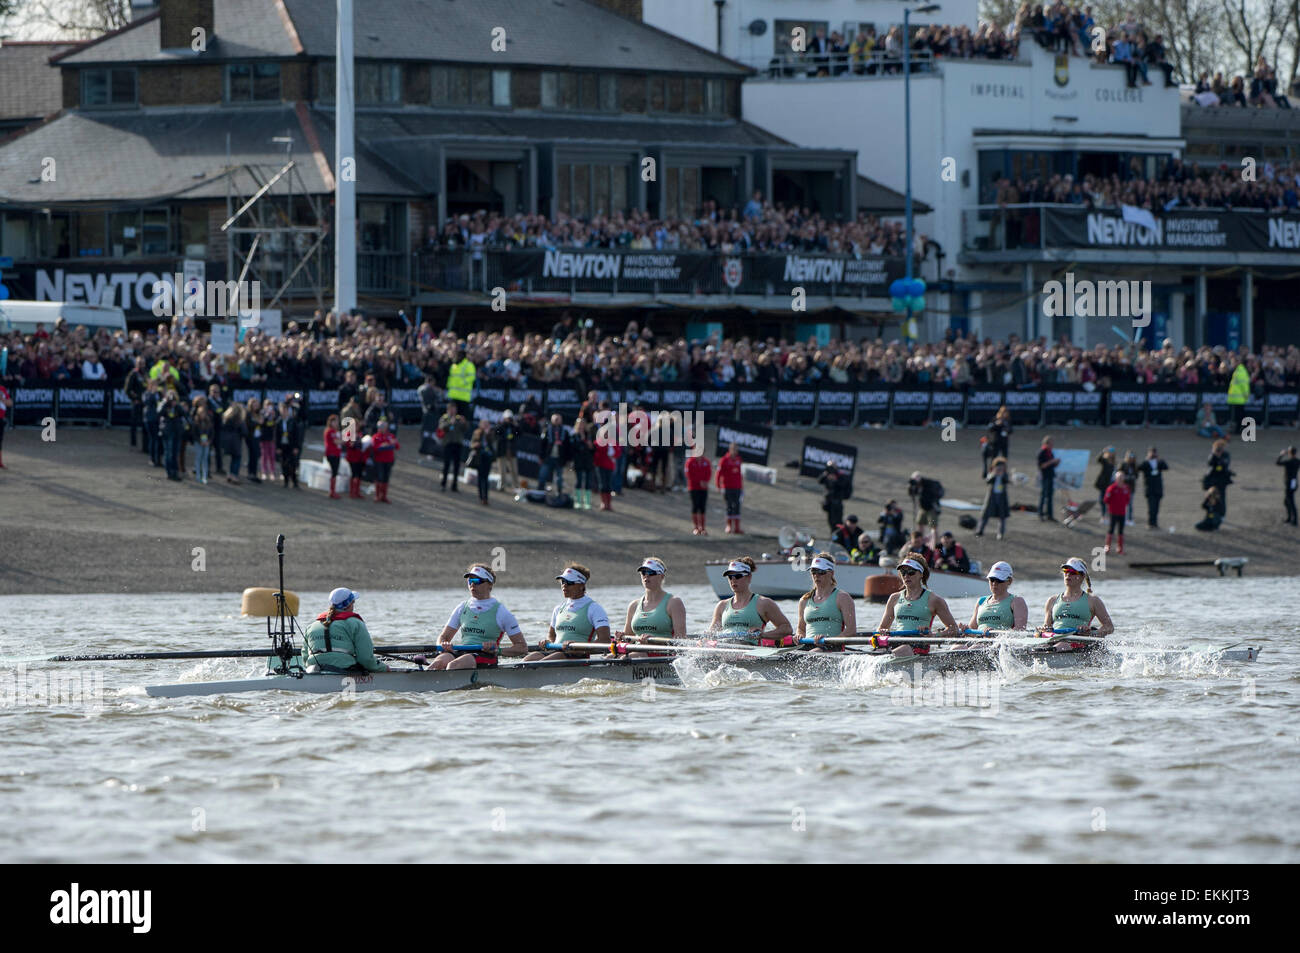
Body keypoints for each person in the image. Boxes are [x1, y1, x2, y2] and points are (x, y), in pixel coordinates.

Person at [430, 565, 527, 670]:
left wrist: (498, 651)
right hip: (463, 653)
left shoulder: (502, 612)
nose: (472, 584)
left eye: (477, 580)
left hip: (487, 656)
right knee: (437, 663)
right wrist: (443, 644)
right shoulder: (462, 607)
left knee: (453, 665)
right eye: (470, 580)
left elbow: (522, 647)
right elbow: (443, 637)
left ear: (489, 585)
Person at [876, 553, 959, 657]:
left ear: (921, 574)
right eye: (903, 572)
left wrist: (934, 636)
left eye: (911, 572)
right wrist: (882, 632)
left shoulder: (934, 600)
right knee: (878, 652)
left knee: (903, 649)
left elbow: (954, 629)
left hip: (919, 644)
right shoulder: (894, 598)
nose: (906, 576)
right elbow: (882, 628)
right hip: (897, 642)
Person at [523, 565, 612, 661]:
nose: (564, 585)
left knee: (551, 658)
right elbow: (552, 636)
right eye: (562, 582)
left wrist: (579, 649)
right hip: (556, 653)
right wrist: (548, 642)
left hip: (578, 657)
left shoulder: (594, 609)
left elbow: (605, 640)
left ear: (581, 585)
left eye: (569, 582)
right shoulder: (558, 609)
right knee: (530, 658)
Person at [709, 557, 794, 646]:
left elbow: (786, 628)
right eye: (730, 577)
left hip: (751, 651)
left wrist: (763, 635)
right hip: (725, 650)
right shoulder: (721, 605)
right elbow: (712, 633)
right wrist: (703, 640)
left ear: (749, 577)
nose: (733, 580)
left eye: (738, 576)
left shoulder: (763, 603)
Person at [301, 588, 389, 673]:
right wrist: (384, 668)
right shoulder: (355, 623)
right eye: (353, 602)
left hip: (313, 670)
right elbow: (366, 659)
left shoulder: (311, 626)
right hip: (345, 670)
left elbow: (305, 658)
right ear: (349, 604)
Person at [1040, 557, 1114, 651]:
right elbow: (1047, 626)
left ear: (1082, 576)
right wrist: (1044, 629)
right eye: (1066, 571)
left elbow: (1109, 627)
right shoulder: (1052, 600)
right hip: (1054, 640)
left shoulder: (1093, 600)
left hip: (1079, 642)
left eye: (1073, 572)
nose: (1068, 575)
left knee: (1062, 645)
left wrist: (1091, 633)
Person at [620, 557, 688, 644]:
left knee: (624, 658)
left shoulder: (674, 603)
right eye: (643, 573)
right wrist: (621, 637)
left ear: (662, 576)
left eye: (651, 573)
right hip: (638, 651)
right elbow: (628, 638)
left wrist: (653, 641)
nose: (646, 576)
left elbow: (681, 640)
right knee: (609, 657)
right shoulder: (634, 605)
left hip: (662, 652)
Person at [797, 553, 857, 651]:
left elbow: (851, 631)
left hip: (832, 646)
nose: (816, 575)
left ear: (831, 573)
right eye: (813, 571)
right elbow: (801, 629)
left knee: (813, 654)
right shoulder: (804, 600)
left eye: (821, 572)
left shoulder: (843, 598)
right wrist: (799, 636)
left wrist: (828, 641)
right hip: (808, 646)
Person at [966, 561, 1028, 633]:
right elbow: (971, 630)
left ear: (1009, 581)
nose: (994, 583)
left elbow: (1020, 632)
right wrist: (965, 629)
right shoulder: (981, 601)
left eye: (999, 580)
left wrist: (995, 633)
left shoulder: (1017, 601)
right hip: (979, 641)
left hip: (1002, 643)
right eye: (992, 579)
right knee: (957, 645)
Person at [437, 401, 469, 491]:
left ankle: (454, 485)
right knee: (446, 465)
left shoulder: (459, 418)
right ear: (448, 409)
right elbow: (441, 427)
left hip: (458, 444)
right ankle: (443, 483)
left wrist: (464, 423)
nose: (453, 411)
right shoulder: (444, 418)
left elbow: (465, 429)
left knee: (456, 466)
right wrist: (450, 423)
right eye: (451, 409)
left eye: (454, 409)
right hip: (448, 443)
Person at [977, 456, 1011, 539]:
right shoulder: (992, 473)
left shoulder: (1005, 474)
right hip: (992, 496)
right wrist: (994, 474)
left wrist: (1002, 475)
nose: (1000, 468)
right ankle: (980, 531)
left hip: (1002, 497)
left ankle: (1000, 533)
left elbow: (1007, 481)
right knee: (985, 515)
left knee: (1002, 516)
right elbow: (988, 481)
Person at [537, 413, 571, 495]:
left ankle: (559, 493)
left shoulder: (565, 432)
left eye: (558, 419)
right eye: (555, 419)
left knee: (559, 478)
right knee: (543, 475)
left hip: (559, 458)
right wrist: (541, 457)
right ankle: (540, 492)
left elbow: (568, 447)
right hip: (548, 457)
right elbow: (542, 445)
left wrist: (567, 460)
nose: (556, 421)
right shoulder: (547, 430)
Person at [908, 471, 943, 548]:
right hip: (923, 509)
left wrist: (920, 486)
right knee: (920, 523)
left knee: (933, 527)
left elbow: (930, 495)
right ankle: (920, 541)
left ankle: (936, 544)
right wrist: (912, 486)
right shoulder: (916, 485)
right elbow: (911, 494)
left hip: (932, 509)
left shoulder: (927, 483)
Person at [716, 443, 745, 534]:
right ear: (730, 449)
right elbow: (718, 474)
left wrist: (742, 487)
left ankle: (737, 527)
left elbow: (740, 474)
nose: (735, 452)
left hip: (737, 487)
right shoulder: (724, 460)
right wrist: (718, 486)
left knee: (737, 506)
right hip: (727, 487)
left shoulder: (738, 460)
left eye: (736, 450)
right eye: (734, 450)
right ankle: (728, 526)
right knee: (729, 506)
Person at [370, 418, 399, 503]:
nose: (383, 428)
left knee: (386, 478)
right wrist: (382, 445)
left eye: (384, 426)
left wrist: (392, 443)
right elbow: (374, 448)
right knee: (379, 477)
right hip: (379, 460)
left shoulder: (390, 436)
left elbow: (397, 446)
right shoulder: (376, 437)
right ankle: (377, 495)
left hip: (389, 460)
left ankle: (384, 496)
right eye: (381, 427)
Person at [818, 461, 851, 537]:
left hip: (837, 503)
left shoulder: (840, 476)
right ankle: (833, 536)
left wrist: (835, 480)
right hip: (829, 502)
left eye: (832, 467)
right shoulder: (827, 475)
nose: (831, 469)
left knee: (838, 522)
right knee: (831, 521)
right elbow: (819, 481)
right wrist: (825, 474)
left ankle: (840, 537)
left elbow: (843, 486)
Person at [276, 401, 304, 489]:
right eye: (282, 410)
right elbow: (276, 436)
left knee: (292, 464)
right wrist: (278, 447)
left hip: (291, 445)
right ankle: (286, 481)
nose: (284, 412)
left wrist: (296, 447)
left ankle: (295, 481)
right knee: (284, 464)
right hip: (283, 445)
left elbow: (297, 436)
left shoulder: (293, 421)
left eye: (286, 410)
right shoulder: (279, 422)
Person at [569, 418, 595, 510]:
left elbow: (593, 449)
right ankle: (577, 501)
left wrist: (591, 446)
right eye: (579, 424)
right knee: (579, 481)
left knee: (588, 482)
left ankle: (587, 502)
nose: (581, 426)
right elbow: (572, 449)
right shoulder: (574, 436)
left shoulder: (589, 436)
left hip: (588, 461)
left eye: (583, 424)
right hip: (578, 461)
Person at [1102, 469, 1130, 554]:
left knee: (1121, 530)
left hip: (1122, 512)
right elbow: (1106, 499)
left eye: (1122, 477)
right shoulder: (1112, 488)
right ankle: (1107, 546)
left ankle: (1120, 548)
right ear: (1116, 478)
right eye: (1119, 477)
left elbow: (1127, 500)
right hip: (1113, 512)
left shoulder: (1126, 488)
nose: (1121, 479)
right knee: (1111, 529)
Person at [1139, 447, 1168, 529]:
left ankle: (1155, 523)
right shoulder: (1146, 463)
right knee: (1151, 508)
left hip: (1158, 489)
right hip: (1149, 489)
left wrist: (1159, 459)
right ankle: (1150, 523)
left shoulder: (1159, 462)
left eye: (1154, 453)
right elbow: (1139, 468)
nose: (1153, 454)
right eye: (1151, 453)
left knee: (1156, 508)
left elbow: (1166, 467)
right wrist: (1146, 460)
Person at [468, 420, 495, 506]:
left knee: (485, 478)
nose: (485, 426)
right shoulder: (477, 432)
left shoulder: (491, 433)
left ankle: (485, 497)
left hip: (488, 457)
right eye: (484, 424)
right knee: (480, 477)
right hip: (479, 457)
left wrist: (487, 434)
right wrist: (475, 445)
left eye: (487, 425)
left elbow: (493, 444)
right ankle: (481, 496)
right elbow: (471, 444)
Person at [594, 427, 621, 511]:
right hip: (600, 465)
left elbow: (618, 453)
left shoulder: (613, 442)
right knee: (602, 484)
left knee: (609, 485)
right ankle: (603, 502)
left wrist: (612, 455)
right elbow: (598, 452)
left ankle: (608, 504)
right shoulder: (599, 442)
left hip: (609, 466)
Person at [686, 449, 712, 535]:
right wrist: (699, 481)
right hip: (694, 487)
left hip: (703, 488)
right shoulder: (690, 462)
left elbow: (709, 473)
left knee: (702, 507)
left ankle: (703, 527)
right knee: (695, 506)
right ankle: (696, 527)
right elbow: (689, 475)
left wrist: (705, 481)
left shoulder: (706, 462)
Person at [220, 402, 247, 485]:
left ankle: (230, 475)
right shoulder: (239, 419)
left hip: (226, 440)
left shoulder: (226, 418)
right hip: (235, 441)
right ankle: (234, 475)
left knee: (231, 459)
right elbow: (244, 431)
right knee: (237, 458)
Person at [124, 357, 148, 450]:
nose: (141, 365)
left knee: (145, 424)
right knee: (134, 423)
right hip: (136, 402)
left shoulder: (146, 374)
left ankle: (145, 446)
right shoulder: (133, 374)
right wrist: (134, 398)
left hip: (144, 402)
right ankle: (133, 443)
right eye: (139, 363)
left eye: (143, 363)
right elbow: (127, 389)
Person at [1205, 439, 1232, 518]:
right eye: (1217, 448)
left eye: (1221, 448)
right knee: (1211, 497)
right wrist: (1215, 455)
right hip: (1213, 479)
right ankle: (1211, 513)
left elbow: (1224, 465)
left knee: (1222, 497)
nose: (1219, 450)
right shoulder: (1213, 455)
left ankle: (1222, 514)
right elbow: (1210, 464)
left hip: (1222, 479)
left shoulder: (1226, 455)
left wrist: (1219, 458)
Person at [494, 409, 519, 492]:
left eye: (510, 418)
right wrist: (503, 424)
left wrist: (515, 425)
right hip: (502, 451)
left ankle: (516, 486)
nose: (508, 420)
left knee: (514, 470)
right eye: (507, 418)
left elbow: (520, 432)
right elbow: (496, 432)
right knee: (502, 471)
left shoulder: (513, 427)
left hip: (511, 452)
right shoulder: (500, 426)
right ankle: (502, 486)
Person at [344, 419, 370, 499]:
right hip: (352, 458)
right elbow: (350, 445)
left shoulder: (360, 433)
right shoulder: (349, 434)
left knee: (359, 475)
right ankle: (352, 491)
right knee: (353, 474)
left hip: (360, 458)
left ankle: (357, 491)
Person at [1037, 436, 1060, 521]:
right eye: (1050, 443)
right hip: (1044, 477)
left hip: (1050, 476)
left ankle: (1049, 515)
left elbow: (1053, 466)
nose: (1052, 445)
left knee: (1050, 496)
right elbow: (1042, 466)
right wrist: (1052, 461)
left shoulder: (1050, 452)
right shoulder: (1042, 452)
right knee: (1043, 496)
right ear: (1046, 443)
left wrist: (1056, 462)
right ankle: (1040, 513)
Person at [191, 402, 214, 485]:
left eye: (204, 413)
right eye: (201, 413)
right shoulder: (195, 422)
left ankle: (204, 476)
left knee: (205, 459)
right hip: (199, 443)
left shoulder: (209, 422)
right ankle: (198, 476)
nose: (203, 415)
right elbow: (194, 434)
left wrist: (208, 441)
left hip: (206, 443)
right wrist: (199, 441)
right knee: (198, 459)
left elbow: (212, 433)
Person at [986, 405, 1012, 475]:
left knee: (1005, 458)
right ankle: (991, 472)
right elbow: (990, 429)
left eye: (1006, 413)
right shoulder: (995, 419)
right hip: (996, 441)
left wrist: (1007, 429)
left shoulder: (1007, 420)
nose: (1005, 414)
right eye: (1003, 412)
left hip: (1004, 442)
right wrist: (996, 424)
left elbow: (1011, 430)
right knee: (994, 458)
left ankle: (1004, 472)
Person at [323, 413, 344, 499]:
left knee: (335, 472)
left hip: (336, 453)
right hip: (332, 453)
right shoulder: (330, 431)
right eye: (334, 422)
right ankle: (332, 491)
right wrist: (343, 440)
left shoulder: (335, 431)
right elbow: (336, 442)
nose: (336, 423)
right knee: (334, 472)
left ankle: (333, 490)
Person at [1278, 446, 1299, 526]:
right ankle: (1291, 518)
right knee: (1288, 501)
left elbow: (1277, 463)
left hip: (1289, 483)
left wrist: (1281, 455)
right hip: (1294, 482)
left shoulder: (1289, 462)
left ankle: (1293, 519)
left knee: (1289, 501)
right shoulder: (1297, 461)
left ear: (1290, 453)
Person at [1094, 446, 1116, 521]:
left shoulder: (1114, 462)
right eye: (1110, 452)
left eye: (1112, 452)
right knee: (1102, 500)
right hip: (1103, 484)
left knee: (1110, 501)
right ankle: (1103, 515)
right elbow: (1098, 459)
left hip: (1111, 485)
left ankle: (1109, 515)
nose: (1111, 454)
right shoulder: (1105, 460)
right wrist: (1103, 451)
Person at [1227, 359, 1250, 428]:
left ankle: (1242, 428)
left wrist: (1246, 394)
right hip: (1238, 398)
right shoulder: (1238, 371)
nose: (1232, 364)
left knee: (1240, 415)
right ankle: (1240, 428)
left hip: (1239, 398)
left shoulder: (1240, 371)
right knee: (1239, 414)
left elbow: (1244, 385)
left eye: (1233, 362)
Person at [1119, 450, 1139, 525]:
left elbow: (1136, 475)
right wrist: (1127, 477)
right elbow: (1118, 474)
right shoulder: (1123, 464)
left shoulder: (1134, 465)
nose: (1131, 458)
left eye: (1133, 456)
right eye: (1130, 456)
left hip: (1131, 488)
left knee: (1130, 504)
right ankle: (1122, 519)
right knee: (1122, 504)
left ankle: (1129, 519)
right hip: (1123, 488)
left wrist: (1132, 477)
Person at [0, 379, 10, 469]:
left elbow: (10, 403)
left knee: (0, 440)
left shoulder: (2, 389)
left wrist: (2, 399)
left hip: (0, 419)